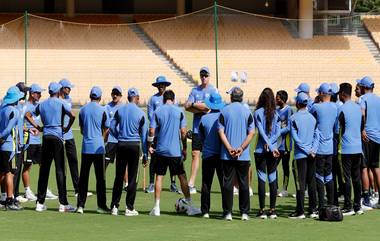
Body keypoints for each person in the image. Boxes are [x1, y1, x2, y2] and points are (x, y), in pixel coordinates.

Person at [25, 82, 76, 212]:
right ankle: (63, 203)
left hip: (46, 137)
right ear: (58, 91)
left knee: (44, 171)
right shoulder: (61, 103)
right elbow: (73, 116)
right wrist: (67, 128)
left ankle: (39, 203)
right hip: (58, 138)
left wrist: (38, 127)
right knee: (60, 170)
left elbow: (28, 115)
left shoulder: (42, 104)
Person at [149, 90, 200, 216]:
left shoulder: (158, 111)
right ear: (173, 99)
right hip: (175, 151)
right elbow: (183, 132)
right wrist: (184, 148)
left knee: (159, 177)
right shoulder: (179, 111)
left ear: (164, 99)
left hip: (161, 150)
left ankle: (156, 207)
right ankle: (189, 204)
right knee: (182, 176)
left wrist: (150, 145)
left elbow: (151, 131)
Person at [110, 88, 148, 216]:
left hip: (121, 144)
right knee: (132, 178)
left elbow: (112, 127)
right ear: (137, 98)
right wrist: (145, 154)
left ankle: (114, 206)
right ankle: (129, 207)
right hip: (134, 145)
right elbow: (144, 136)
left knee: (119, 176)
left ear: (127, 97)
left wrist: (118, 135)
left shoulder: (119, 110)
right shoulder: (141, 113)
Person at [218, 87, 255, 221]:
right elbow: (252, 133)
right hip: (243, 155)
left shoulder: (224, 111)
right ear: (242, 97)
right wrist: (241, 148)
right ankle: (244, 213)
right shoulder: (247, 112)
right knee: (244, 184)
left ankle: (228, 212)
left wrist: (229, 147)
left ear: (231, 97)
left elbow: (220, 132)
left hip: (227, 155)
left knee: (227, 184)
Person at [184, 67, 218, 194]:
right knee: (195, 154)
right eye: (202, 75)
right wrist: (200, 107)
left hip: (210, 129)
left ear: (209, 76)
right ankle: (191, 184)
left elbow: (210, 107)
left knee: (211, 156)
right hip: (197, 129)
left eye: (206, 75)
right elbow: (187, 106)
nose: (203, 77)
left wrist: (196, 106)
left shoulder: (214, 90)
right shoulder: (194, 90)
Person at [76, 87, 109, 214]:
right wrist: (101, 138)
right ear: (100, 97)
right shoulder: (102, 110)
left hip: (86, 147)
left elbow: (82, 129)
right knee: (100, 178)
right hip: (98, 148)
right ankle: (101, 206)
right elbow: (107, 128)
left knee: (83, 178)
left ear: (90, 96)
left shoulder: (83, 109)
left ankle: (80, 205)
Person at [288, 93, 319, 219]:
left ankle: (300, 211)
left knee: (300, 184)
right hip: (312, 155)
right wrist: (313, 150)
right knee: (311, 183)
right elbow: (317, 136)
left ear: (297, 103)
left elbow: (296, 138)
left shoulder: (293, 118)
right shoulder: (312, 118)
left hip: (300, 155)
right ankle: (312, 210)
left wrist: (307, 150)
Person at [146, 76, 178, 193]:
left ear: (166, 85)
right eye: (159, 85)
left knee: (172, 159)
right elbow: (150, 116)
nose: (161, 86)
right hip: (157, 134)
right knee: (154, 159)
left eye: (163, 84)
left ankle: (173, 183)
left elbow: (175, 114)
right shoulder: (153, 99)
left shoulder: (172, 99)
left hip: (170, 134)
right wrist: (160, 124)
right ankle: (151, 183)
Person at [309, 83, 338, 210]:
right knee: (329, 176)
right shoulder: (335, 107)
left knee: (319, 176)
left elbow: (309, 118)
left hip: (319, 147)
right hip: (330, 147)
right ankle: (331, 204)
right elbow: (336, 127)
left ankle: (321, 205)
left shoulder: (316, 107)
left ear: (321, 94)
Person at [336, 83, 364, 216]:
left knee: (345, 178)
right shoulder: (358, 107)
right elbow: (361, 125)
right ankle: (358, 206)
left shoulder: (342, 109)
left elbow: (338, 129)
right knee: (356, 178)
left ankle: (348, 206)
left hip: (345, 149)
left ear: (342, 94)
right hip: (358, 148)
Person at [254, 88, 281, 219]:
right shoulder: (276, 114)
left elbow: (260, 130)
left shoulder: (257, 113)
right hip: (273, 150)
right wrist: (271, 144)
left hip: (260, 149)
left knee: (261, 178)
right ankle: (273, 210)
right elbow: (278, 132)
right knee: (272, 178)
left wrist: (266, 143)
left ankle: (261, 210)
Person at [198, 92, 225, 218]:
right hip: (221, 155)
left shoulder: (204, 118)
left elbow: (201, 137)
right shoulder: (223, 116)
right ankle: (226, 210)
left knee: (206, 183)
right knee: (224, 183)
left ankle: (205, 211)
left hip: (208, 154)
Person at [0, 86, 25, 210]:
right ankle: (10, 200)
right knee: (10, 173)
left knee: (2, 172)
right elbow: (8, 129)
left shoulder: (2, 109)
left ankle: (3, 198)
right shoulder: (14, 111)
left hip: (2, 147)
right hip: (10, 146)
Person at [357, 76, 380, 209]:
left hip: (367, 137)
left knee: (364, 167)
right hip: (378, 136)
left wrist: (362, 129)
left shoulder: (363, 98)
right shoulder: (378, 99)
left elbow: (362, 114)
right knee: (376, 167)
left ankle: (366, 200)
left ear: (364, 87)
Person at [59, 79, 84, 197]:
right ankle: (62, 190)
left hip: (69, 136)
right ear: (63, 88)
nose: (70, 90)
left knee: (73, 161)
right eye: (68, 88)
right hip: (59, 136)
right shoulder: (57, 101)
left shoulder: (68, 99)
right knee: (62, 164)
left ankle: (78, 189)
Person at [104, 86, 129, 191]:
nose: (115, 96)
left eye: (117, 94)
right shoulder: (107, 107)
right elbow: (104, 123)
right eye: (113, 93)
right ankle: (101, 181)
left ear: (121, 96)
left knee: (122, 163)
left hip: (121, 140)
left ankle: (127, 184)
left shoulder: (124, 107)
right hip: (111, 140)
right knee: (105, 162)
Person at [13, 82, 30, 203]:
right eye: (24, 91)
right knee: (14, 169)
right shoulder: (13, 106)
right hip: (13, 143)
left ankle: (16, 193)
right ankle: (12, 194)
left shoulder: (20, 105)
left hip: (20, 142)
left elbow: (19, 124)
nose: (26, 93)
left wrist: (27, 129)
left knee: (18, 168)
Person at [275, 90, 293, 198]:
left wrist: (279, 132)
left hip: (285, 144)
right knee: (273, 166)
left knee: (285, 166)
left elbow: (289, 127)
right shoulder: (276, 110)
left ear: (282, 99)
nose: (276, 100)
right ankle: (275, 188)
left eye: (277, 98)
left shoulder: (289, 110)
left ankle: (284, 189)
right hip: (276, 144)